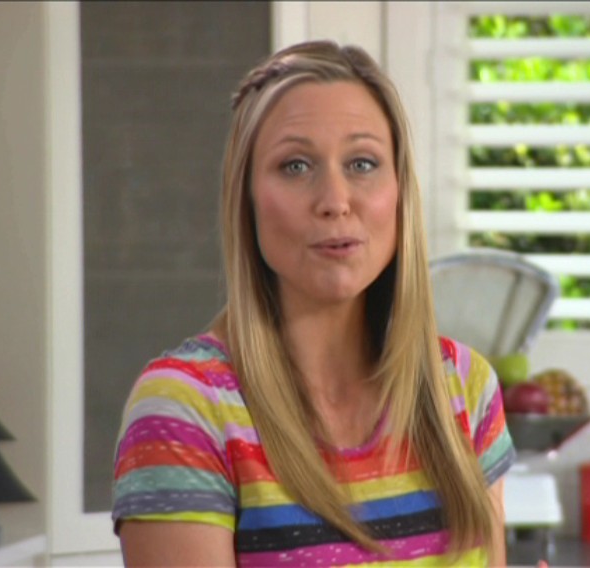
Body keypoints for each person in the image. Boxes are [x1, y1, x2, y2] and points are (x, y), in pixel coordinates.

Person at [111, 40, 516, 567]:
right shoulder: (185, 412)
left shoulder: (463, 389)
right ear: (247, 198)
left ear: (400, 192)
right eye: (296, 166)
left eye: (363, 163)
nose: (335, 201)